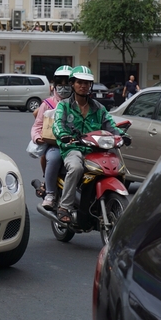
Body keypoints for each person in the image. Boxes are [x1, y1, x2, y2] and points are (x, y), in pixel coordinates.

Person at [52, 66, 131, 223]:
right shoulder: (64, 106)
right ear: (72, 84)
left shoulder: (98, 108)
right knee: (76, 167)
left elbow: (110, 125)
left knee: (116, 167)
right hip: (73, 148)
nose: (84, 86)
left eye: (87, 83)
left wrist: (122, 135)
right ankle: (65, 206)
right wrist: (64, 135)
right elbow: (57, 124)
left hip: (96, 150)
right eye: (80, 82)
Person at [30, 65, 72, 210]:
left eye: (68, 84)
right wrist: (37, 137)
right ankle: (50, 193)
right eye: (60, 84)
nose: (64, 88)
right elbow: (37, 126)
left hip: (79, 144)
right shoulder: (47, 104)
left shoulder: (80, 103)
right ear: (54, 85)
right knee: (53, 158)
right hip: (56, 145)